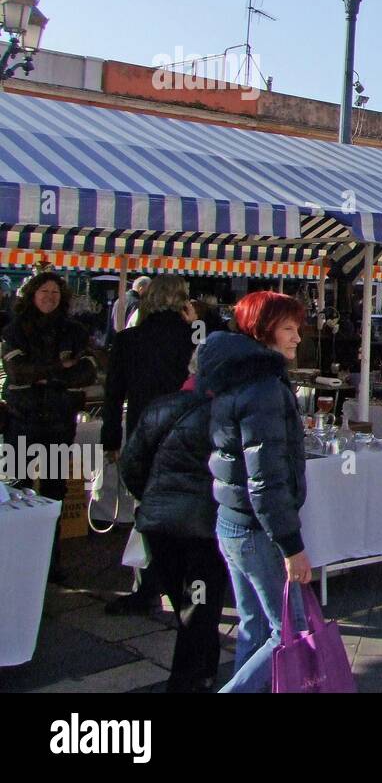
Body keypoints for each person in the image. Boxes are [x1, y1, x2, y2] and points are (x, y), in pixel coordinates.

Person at [205, 291, 312, 693]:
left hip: (233, 523)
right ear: (264, 331)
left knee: (254, 627)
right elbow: (265, 480)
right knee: (290, 632)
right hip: (254, 530)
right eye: (288, 328)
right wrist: (291, 545)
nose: (296, 338)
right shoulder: (263, 385)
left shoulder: (236, 375)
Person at [119, 349, 227, 692]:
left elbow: (131, 465)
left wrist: (153, 500)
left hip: (160, 526)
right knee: (198, 607)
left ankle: (203, 671)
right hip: (203, 528)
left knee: (192, 605)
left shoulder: (159, 406)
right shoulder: (227, 414)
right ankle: (185, 681)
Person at [102, 275, 197, 615]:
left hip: (144, 430)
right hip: (187, 433)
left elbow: (113, 396)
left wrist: (111, 439)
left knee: (148, 508)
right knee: (184, 507)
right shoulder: (193, 338)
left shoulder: (129, 340)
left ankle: (149, 584)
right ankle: (181, 580)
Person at [0, 271, 98, 582]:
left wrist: (42, 375)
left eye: (55, 292)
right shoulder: (15, 330)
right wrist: (59, 369)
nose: (49, 297)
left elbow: (87, 373)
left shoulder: (75, 331)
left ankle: (51, 565)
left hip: (58, 425)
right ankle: (15, 562)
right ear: (32, 294)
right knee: (17, 493)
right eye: (44, 291)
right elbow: (16, 373)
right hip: (21, 423)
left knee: (54, 496)